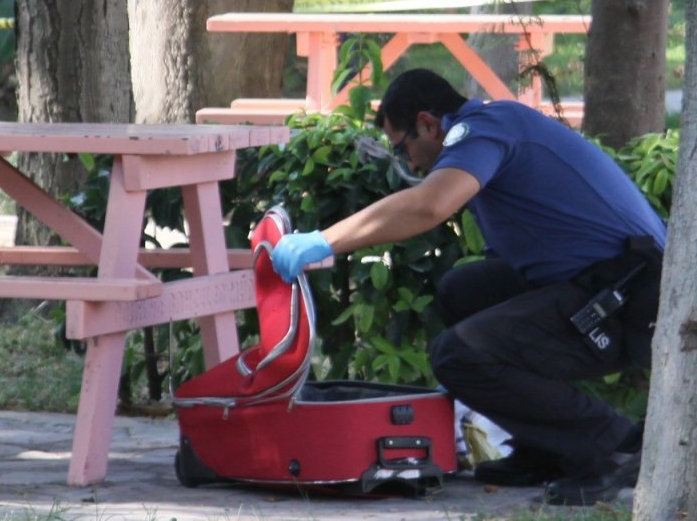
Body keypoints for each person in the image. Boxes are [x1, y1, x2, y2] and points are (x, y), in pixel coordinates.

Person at [270, 68, 666, 506]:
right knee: (465, 290)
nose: (412, 163)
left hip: (631, 299)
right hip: (599, 280)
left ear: (428, 122)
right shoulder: (494, 127)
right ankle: (549, 448)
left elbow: (428, 206)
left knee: (458, 357)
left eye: (405, 147)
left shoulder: (483, 131)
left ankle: (613, 448)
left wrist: (324, 241)